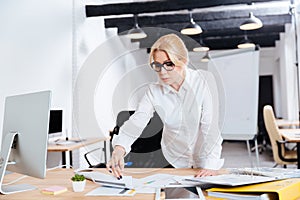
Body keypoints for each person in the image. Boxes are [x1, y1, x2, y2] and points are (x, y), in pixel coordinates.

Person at [106, 33, 224, 178]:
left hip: (204, 159)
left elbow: (210, 127)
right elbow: (137, 120)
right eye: (157, 65)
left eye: (169, 64)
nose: (162, 72)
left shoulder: (204, 81)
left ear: (184, 61)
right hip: (174, 158)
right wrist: (119, 148)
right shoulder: (154, 91)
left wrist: (211, 166)